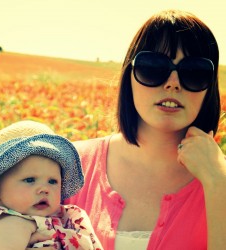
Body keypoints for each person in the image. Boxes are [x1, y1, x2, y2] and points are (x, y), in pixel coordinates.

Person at [62, 9, 226, 250]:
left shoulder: (220, 181)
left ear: (209, 89)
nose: (173, 83)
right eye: (153, 67)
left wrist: (218, 183)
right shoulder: (68, 165)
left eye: (194, 72)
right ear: (130, 76)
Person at [0, 120, 103, 250]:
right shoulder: (10, 222)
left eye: (52, 181)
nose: (44, 189)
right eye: (30, 180)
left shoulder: (59, 216)